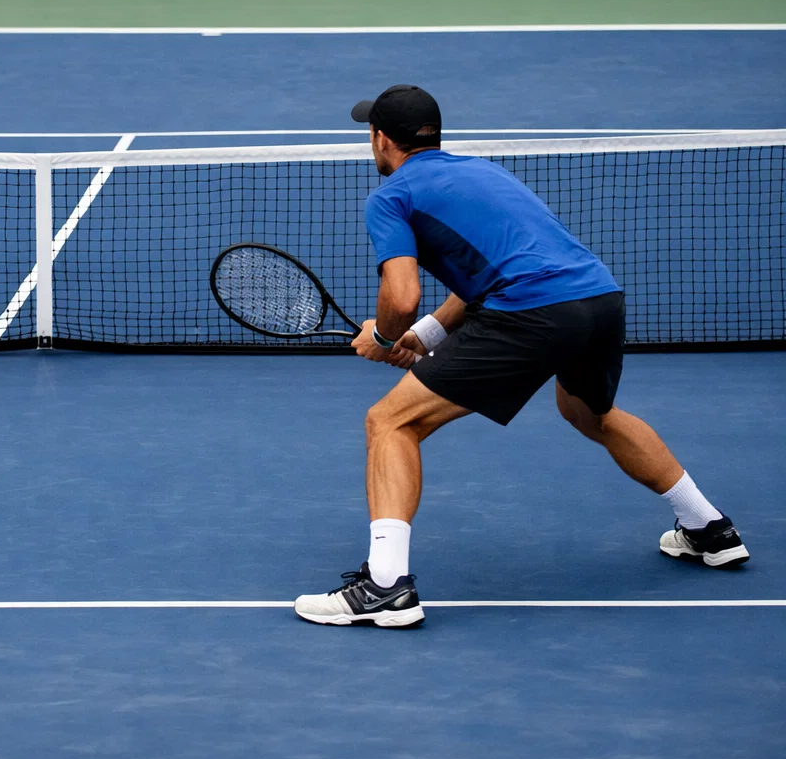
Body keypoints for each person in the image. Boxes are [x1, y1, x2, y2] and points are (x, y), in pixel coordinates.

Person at [292, 86, 749, 629]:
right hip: (597, 299)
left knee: (390, 422)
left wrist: (387, 337)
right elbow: (504, 264)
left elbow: (400, 295)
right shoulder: (484, 173)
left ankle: (386, 587)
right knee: (589, 413)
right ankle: (708, 528)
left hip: (531, 314)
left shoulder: (390, 197)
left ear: (380, 139)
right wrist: (431, 334)